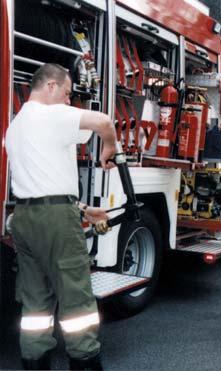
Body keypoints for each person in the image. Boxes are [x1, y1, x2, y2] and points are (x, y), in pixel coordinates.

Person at [6, 63, 116, 370]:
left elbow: (40, 181)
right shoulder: (50, 115)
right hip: (56, 219)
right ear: (50, 86)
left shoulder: (16, 126)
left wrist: (81, 209)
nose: (69, 101)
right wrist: (111, 146)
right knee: (77, 301)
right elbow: (104, 121)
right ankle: (85, 362)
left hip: (25, 218)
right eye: (67, 94)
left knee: (36, 306)